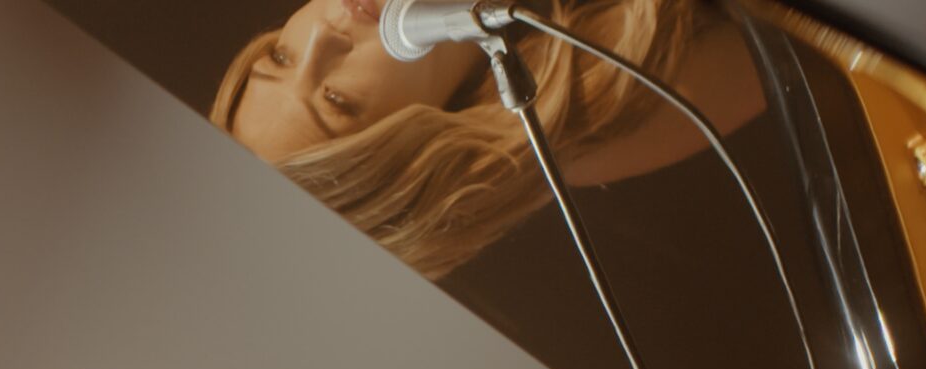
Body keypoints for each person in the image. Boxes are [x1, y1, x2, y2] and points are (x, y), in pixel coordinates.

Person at [210, 0, 765, 279]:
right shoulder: (581, 114)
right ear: (410, 149)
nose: (321, 40)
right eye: (337, 101)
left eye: (279, 58)